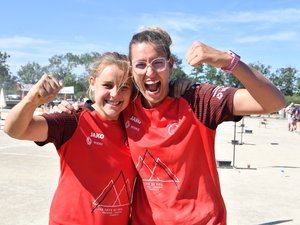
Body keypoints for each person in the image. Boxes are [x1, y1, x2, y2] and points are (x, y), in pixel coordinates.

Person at [58, 27, 286, 224]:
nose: (150, 72)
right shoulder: (127, 105)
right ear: (132, 69)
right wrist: (71, 109)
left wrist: (228, 61)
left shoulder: (197, 99)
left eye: (158, 63)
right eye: (140, 65)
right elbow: (99, 108)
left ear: (170, 64)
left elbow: (274, 102)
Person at [4, 52, 137, 225]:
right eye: (108, 85)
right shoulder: (72, 119)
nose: (115, 94)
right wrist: (31, 100)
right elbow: (14, 130)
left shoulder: (134, 125)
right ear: (92, 82)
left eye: (124, 87)